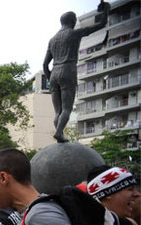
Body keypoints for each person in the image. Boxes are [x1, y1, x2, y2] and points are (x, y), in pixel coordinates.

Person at [43, 3, 109, 143]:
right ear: (73, 21)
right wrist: (105, 10)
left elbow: (44, 64)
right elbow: (101, 24)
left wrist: (50, 79)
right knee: (67, 108)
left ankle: (59, 135)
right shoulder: (74, 33)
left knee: (58, 112)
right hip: (68, 70)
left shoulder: (52, 40)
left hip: (54, 72)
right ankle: (59, 132)